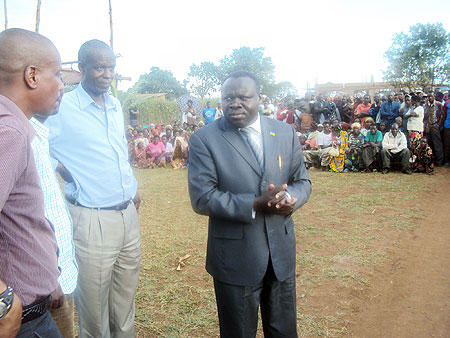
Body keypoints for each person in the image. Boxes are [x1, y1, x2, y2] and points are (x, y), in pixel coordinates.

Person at [188, 71, 311, 338]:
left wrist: (293, 199)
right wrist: (255, 204)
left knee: (284, 331)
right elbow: (202, 198)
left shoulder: (284, 132)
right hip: (235, 257)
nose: (235, 103)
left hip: (280, 254)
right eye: (228, 98)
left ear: (259, 98)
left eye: (243, 97)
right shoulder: (204, 139)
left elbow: (302, 181)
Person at [45, 39, 141, 338]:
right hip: (92, 219)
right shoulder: (62, 107)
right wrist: (64, 171)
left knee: (124, 301)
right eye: (99, 67)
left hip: (127, 215)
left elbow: (115, 151)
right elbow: (39, 148)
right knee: (94, 309)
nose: (107, 74)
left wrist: (130, 186)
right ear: (81, 67)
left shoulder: (113, 104)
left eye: (111, 67)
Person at [0, 28, 63, 338]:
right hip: (22, 321)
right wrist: (3, 302)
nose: (61, 85)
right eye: (58, 75)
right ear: (32, 76)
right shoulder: (9, 133)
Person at [424, 92, 444, 166]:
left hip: (435, 126)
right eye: (428, 96)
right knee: (428, 144)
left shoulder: (438, 104)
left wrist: (438, 124)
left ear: (434, 96)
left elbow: (442, 115)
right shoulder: (425, 105)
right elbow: (425, 116)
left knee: (437, 144)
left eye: (431, 96)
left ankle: (439, 161)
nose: (430, 98)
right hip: (427, 127)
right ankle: (428, 160)